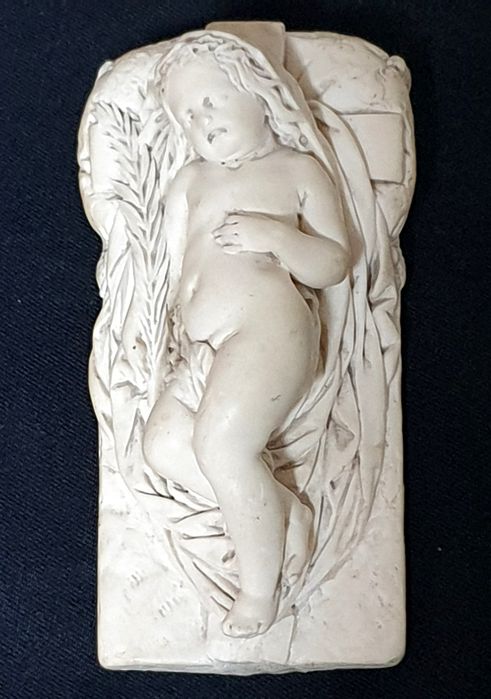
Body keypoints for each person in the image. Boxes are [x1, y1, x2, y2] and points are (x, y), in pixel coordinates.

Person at [142, 35, 350, 638]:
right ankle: (281, 511)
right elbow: (172, 266)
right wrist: (173, 334)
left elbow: (334, 262)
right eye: (187, 114)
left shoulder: (295, 170)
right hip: (204, 348)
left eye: (210, 101)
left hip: (268, 331)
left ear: (259, 92)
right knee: (163, 446)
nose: (200, 120)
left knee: (222, 447)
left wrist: (278, 237)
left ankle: (260, 591)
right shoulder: (190, 181)